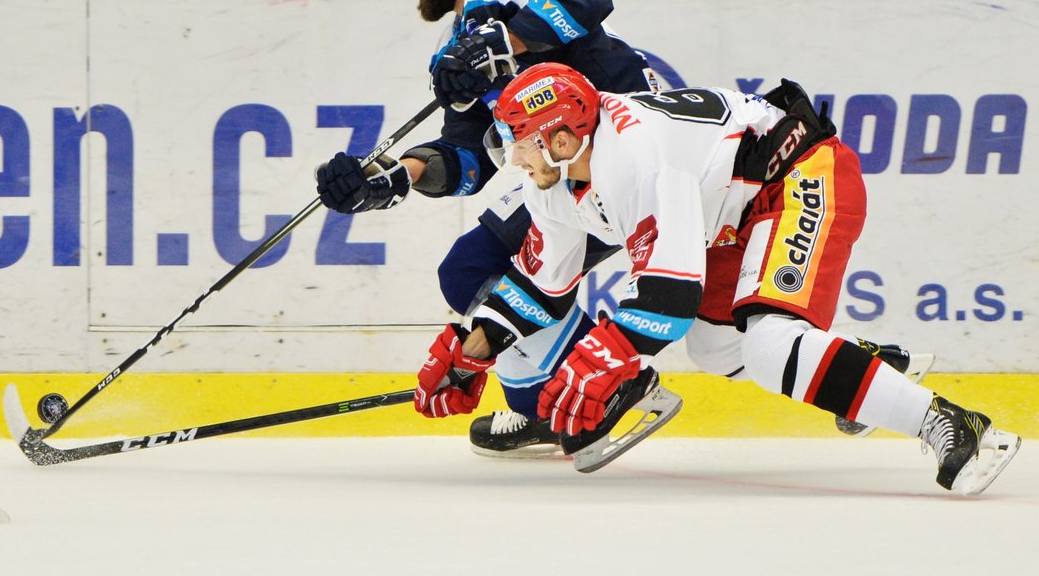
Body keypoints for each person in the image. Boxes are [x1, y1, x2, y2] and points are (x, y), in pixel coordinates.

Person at [315, 0, 928, 456]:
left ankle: (614, 381)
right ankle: (553, 400)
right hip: (568, 172)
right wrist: (390, 179)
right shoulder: (457, 53)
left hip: (633, 152)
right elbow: (469, 157)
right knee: (480, 272)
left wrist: (509, 41)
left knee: (689, 306)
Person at [411, 62, 1020, 493]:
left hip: (800, 174)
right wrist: (473, 353)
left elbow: (671, 297)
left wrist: (608, 355)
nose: (513, 157)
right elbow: (540, 285)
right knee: (715, 346)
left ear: (565, 137)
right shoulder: (556, 178)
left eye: (522, 142)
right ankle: (853, 365)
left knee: (770, 341)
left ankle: (956, 426)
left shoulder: (634, 156)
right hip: (734, 214)